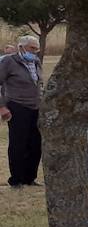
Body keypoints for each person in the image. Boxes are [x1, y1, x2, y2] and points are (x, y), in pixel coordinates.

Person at [0, 34, 43, 188]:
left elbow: (39, 83)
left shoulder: (36, 62)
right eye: (32, 48)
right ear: (21, 47)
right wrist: (2, 107)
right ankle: (16, 179)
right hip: (17, 106)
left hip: (36, 108)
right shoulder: (9, 61)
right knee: (19, 144)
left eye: (37, 49)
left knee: (35, 144)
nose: (35, 52)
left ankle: (30, 178)